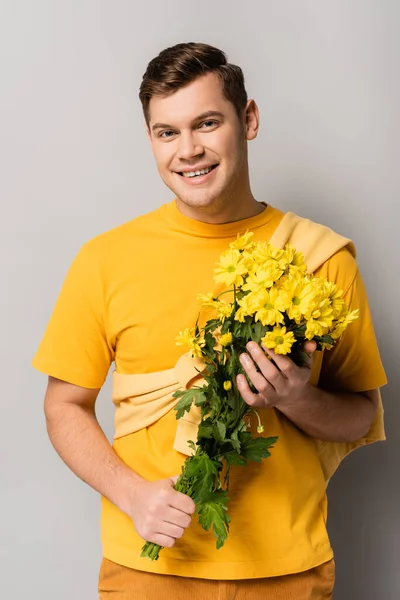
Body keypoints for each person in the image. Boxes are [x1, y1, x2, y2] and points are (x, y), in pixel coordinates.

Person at [32, 42, 387, 599]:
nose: (188, 150)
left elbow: (361, 417)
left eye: (206, 123)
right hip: (148, 569)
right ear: (149, 138)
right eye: (166, 132)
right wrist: (131, 495)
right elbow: (63, 405)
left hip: (288, 571)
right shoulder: (104, 260)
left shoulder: (321, 259)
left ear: (248, 120)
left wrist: (295, 396)